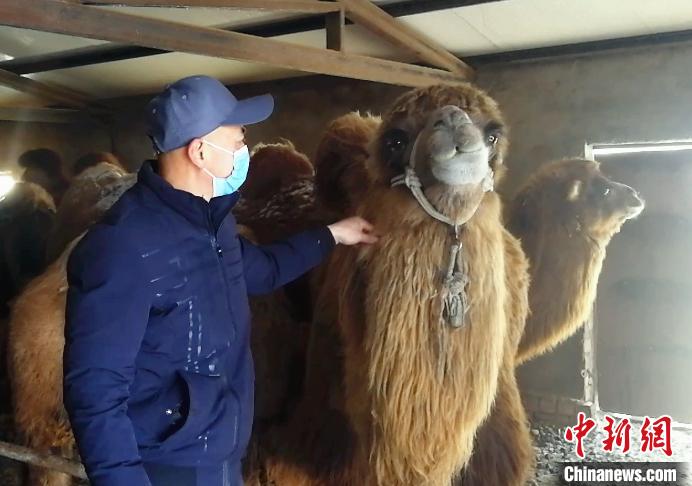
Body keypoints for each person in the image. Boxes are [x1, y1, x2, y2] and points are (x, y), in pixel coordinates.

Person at [63, 75, 377, 486]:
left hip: (221, 455)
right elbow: (95, 393)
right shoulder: (123, 247)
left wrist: (333, 234)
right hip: (168, 468)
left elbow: (262, 270)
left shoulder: (212, 224)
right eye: (236, 140)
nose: (243, 151)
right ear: (199, 151)